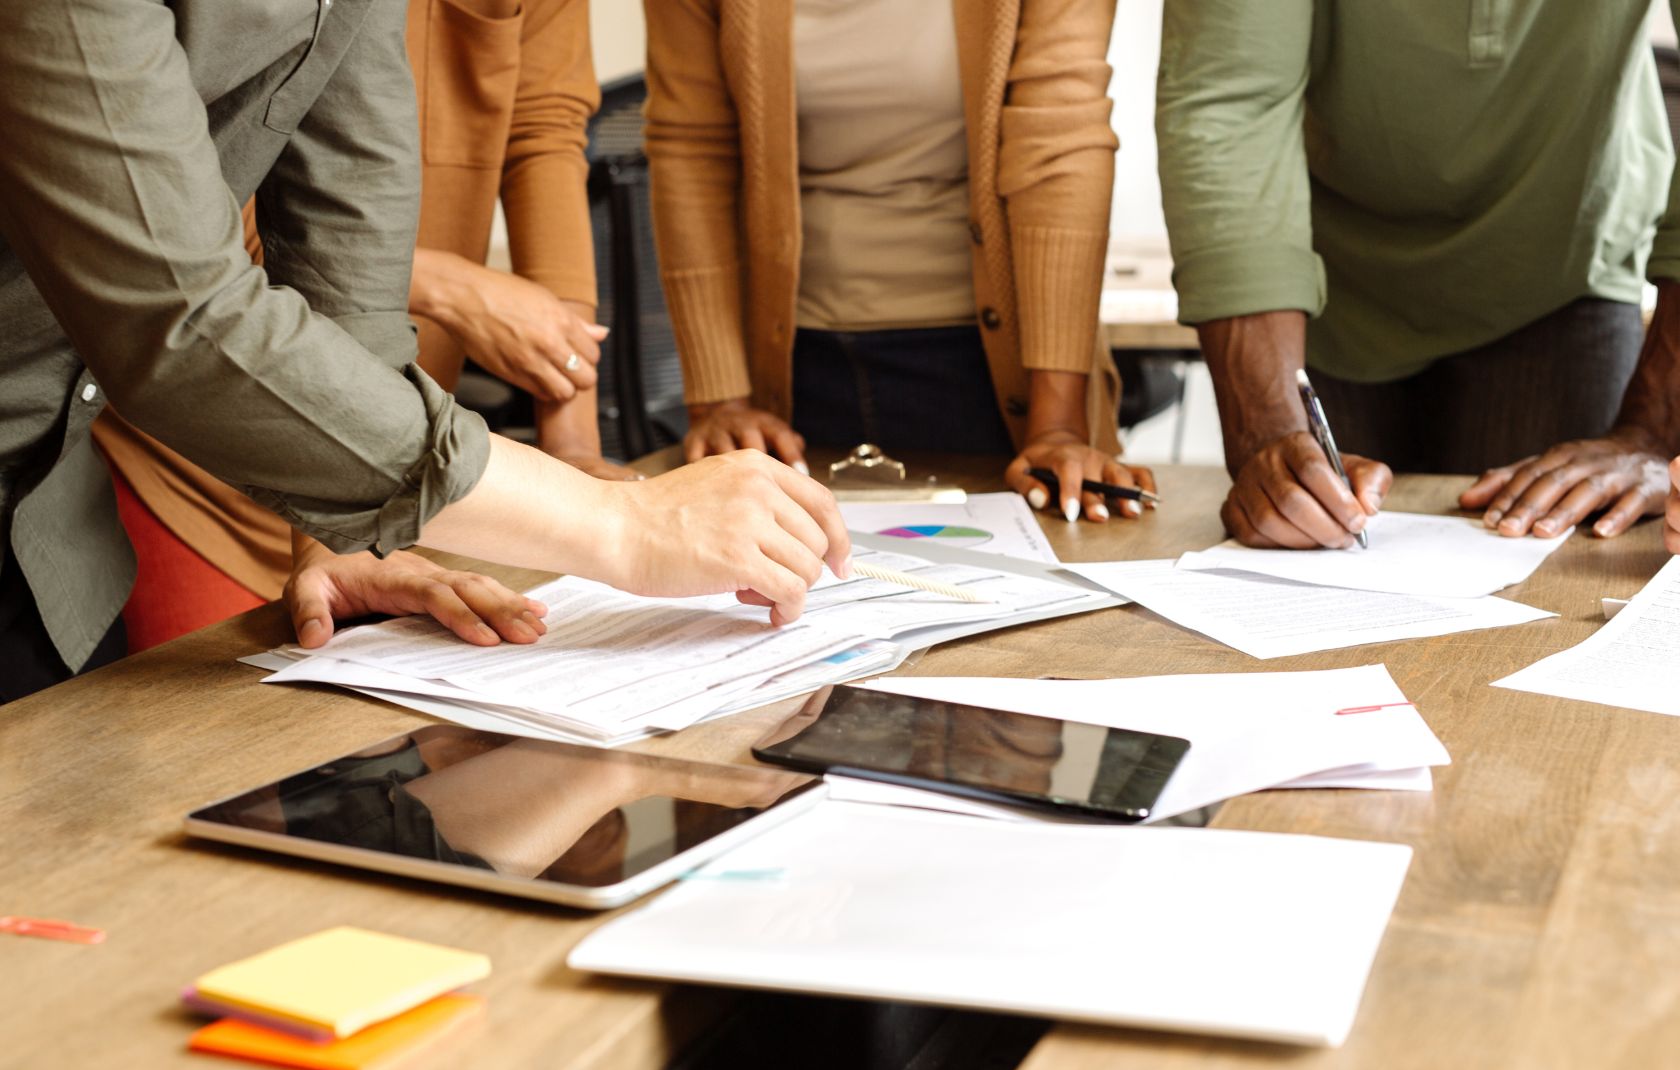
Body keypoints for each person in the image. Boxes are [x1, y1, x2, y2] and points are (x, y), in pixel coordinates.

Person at [0, 0, 847, 704]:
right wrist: (623, 526)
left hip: (45, 533)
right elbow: (176, 313)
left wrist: (338, 535)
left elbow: (347, 222)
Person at [90, 0, 631, 654]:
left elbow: (542, 128)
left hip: (398, 466)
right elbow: (173, 258)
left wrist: (570, 441)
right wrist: (451, 289)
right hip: (204, 460)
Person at [1157, 1, 1680, 550]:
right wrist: (1264, 428)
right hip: (1322, 286)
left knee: (1569, 565)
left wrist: (1655, 431)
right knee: (1305, 550)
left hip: (1566, 269)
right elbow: (1230, 100)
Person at [643, 0, 1155, 525]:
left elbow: (1060, 139)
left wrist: (1057, 428)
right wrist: (720, 401)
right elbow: (692, 145)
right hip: (788, 379)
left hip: (999, 371)